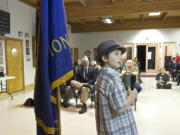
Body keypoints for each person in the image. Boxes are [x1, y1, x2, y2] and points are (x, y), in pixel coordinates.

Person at [95, 40, 138, 135]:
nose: (121, 57)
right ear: (105, 58)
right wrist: (132, 96)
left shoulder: (103, 75)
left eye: (121, 54)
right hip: (118, 129)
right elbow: (120, 108)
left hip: (107, 128)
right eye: (116, 54)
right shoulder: (112, 77)